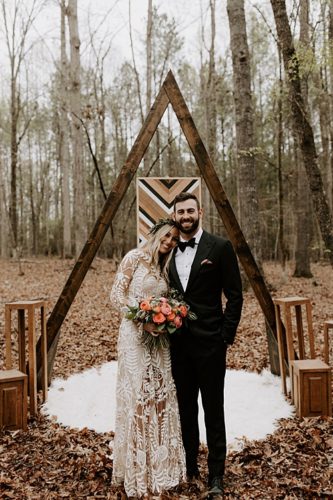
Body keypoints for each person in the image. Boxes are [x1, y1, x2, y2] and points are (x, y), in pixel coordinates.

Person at [169, 192, 243, 498]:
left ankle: (216, 475)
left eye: (189, 210)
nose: (185, 216)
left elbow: (235, 295)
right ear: (174, 216)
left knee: (213, 409)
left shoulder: (221, 247)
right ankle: (189, 466)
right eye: (180, 212)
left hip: (211, 344)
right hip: (177, 346)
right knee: (185, 409)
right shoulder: (168, 250)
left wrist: (225, 335)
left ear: (199, 212)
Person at [110, 219, 186, 499]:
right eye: (167, 237)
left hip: (160, 340)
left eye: (175, 240)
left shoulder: (164, 266)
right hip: (134, 336)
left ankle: (160, 467)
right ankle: (137, 468)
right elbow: (116, 295)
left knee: (160, 396)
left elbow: (168, 300)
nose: (169, 242)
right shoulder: (134, 257)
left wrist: (169, 317)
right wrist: (141, 320)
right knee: (139, 396)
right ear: (154, 234)